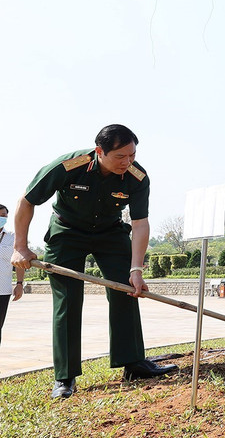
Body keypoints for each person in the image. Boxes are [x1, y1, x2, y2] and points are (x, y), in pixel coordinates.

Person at [10, 125, 176, 399]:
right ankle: (65, 377)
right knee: (68, 300)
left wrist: (136, 269)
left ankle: (133, 363)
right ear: (99, 151)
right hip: (67, 232)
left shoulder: (137, 177)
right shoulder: (69, 166)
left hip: (110, 233)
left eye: (132, 155)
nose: (127, 162)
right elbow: (26, 201)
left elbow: (140, 222)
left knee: (126, 290)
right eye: (120, 156)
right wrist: (20, 247)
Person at [0, 203, 26, 347]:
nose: (2, 218)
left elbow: (19, 262)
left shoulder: (12, 237)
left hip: (2, 290)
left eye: (4, 216)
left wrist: (19, 284)